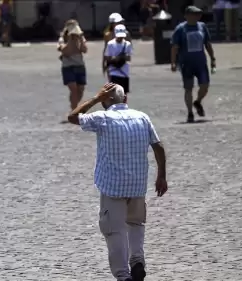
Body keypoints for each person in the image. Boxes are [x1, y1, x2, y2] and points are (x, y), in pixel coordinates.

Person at [67, 82, 168, 281]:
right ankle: (137, 261)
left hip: (112, 187)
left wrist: (96, 99)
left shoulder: (102, 118)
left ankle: (123, 276)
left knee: (114, 231)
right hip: (137, 186)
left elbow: (72, 117)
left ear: (105, 100)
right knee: (136, 224)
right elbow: (158, 147)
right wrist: (161, 176)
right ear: (126, 99)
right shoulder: (142, 117)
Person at [170, 6, 216, 123]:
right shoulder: (180, 29)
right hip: (186, 63)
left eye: (198, 14)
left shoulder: (202, 26)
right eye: (194, 14)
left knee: (205, 85)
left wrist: (213, 58)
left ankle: (198, 101)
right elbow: (175, 47)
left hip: (200, 62)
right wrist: (173, 62)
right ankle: (190, 112)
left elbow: (207, 43)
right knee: (188, 88)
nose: (197, 16)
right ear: (187, 15)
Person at [57, 20, 88, 113]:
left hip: (80, 65)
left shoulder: (80, 38)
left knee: (80, 90)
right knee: (73, 89)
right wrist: (70, 39)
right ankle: (74, 111)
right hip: (68, 67)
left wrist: (81, 39)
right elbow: (66, 51)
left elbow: (84, 50)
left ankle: (73, 106)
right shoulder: (62, 39)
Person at [104, 24, 133, 99]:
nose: (120, 38)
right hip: (114, 72)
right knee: (114, 93)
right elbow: (107, 57)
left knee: (124, 94)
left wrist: (121, 57)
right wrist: (114, 59)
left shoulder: (127, 44)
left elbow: (129, 58)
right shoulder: (110, 44)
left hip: (124, 72)